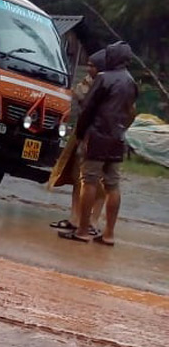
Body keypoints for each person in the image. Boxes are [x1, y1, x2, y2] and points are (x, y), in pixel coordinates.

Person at [61, 42, 138, 246]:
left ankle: (83, 230)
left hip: (97, 137)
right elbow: (131, 112)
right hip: (117, 139)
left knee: (89, 181)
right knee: (113, 185)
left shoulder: (104, 79)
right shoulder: (131, 82)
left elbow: (87, 109)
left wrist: (80, 134)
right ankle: (109, 234)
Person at [50, 54, 106, 235]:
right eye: (88, 65)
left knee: (100, 182)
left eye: (93, 65)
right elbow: (79, 94)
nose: (89, 68)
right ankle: (74, 218)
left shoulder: (110, 84)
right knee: (77, 178)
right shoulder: (87, 83)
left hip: (103, 138)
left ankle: (93, 221)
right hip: (82, 136)